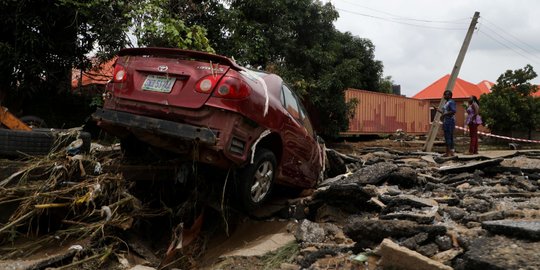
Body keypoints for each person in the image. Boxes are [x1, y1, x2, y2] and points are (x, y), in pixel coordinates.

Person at [434, 90, 456, 157]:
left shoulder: (451, 102)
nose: (444, 96)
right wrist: (438, 110)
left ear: (450, 95)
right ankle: (451, 152)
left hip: (449, 121)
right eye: (444, 94)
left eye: (446, 94)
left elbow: (453, 111)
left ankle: (448, 152)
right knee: (449, 137)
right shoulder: (447, 103)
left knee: (448, 137)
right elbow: (444, 112)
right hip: (446, 121)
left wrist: (444, 115)